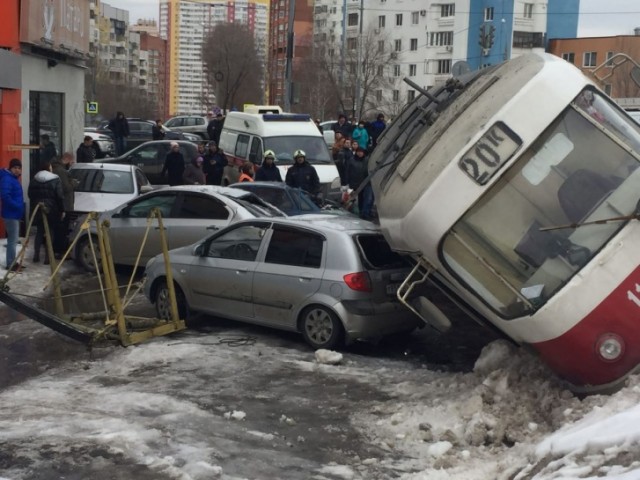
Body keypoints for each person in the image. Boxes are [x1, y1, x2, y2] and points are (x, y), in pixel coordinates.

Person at [28, 160, 65, 265]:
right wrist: (62, 209)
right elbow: (60, 196)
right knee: (51, 232)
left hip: (38, 208)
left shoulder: (34, 179)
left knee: (39, 231)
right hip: (52, 208)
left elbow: (30, 194)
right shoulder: (55, 179)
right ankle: (48, 257)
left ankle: (36, 255)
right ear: (49, 168)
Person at [0, 159, 25, 271]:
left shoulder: (13, 179)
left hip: (14, 214)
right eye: (15, 167)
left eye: (19, 168)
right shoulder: (7, 179)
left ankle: (13, 262)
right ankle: (11, 264)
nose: (17, 170)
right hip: (11, 214)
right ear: (10, 168)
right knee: (12, 240)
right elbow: (5, 196)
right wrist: (17, 206)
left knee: (13, 240)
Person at [51, 152, 77, 256]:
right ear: (67, 159)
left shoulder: (57, 168)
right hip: (65, 204)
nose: (72, 163)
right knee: (62, 229)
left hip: (60, 204)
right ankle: (59, 250)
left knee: (59, 229)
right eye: (71, 161)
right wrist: (74, 183)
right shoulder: (61, 171)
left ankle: (57, 249)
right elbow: (66, 187)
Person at [344, 146, 374, 220]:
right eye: (358, 151)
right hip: (356, 183)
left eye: (361, 152)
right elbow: (348, 171)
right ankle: (362, 212)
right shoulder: (352, 160)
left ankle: (365, 213)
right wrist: (347, 182)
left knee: (368, 198)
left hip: (366, 182)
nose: (360, 153)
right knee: (360, 198)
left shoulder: (367, 160)